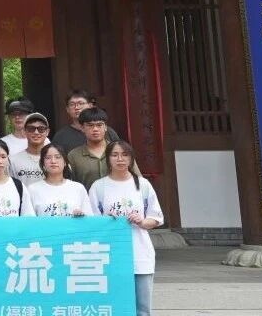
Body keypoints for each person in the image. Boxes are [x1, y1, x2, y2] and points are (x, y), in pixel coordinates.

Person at [89, 141, 164, 316]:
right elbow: (92, 221)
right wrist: (106, 221)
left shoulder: (143, 185)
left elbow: (156, 218)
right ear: (108, 159)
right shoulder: (99, 186)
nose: (120, 159)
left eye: (125, 155)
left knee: (142, 308)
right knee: (113, 305)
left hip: (140, 252)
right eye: (114, 155)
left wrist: (142, 222)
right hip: (110, 254)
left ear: (131, 159)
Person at [68, 107, 141, 190]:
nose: (95, 129)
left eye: (99, 125)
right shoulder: (73, 156)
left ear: (105, 127)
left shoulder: (122, 151)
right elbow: (70, 186)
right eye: (90, 125)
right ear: (82, 128)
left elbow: (138, 179)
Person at [21, 143, 93, 217]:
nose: (53, 161)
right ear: (43, 163)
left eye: (57, 157)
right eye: (48, 158)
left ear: (65, 162)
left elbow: (89, 218)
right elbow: (28, 219)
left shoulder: (78, 188)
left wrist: (81, 216)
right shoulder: (33, 189)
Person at [52, 90, 121, 153]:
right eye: (72, 104)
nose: (76, 107)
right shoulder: (61, 136)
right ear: (67, 109)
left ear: (90, 106)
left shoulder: (107, 131)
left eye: (80, 103)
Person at [9, 112, 49, 186]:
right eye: (31, 129)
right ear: (24, 131)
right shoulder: (13, 161)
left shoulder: (55, 160)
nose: (36, 132)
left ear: (47, 132)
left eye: (41, 129)